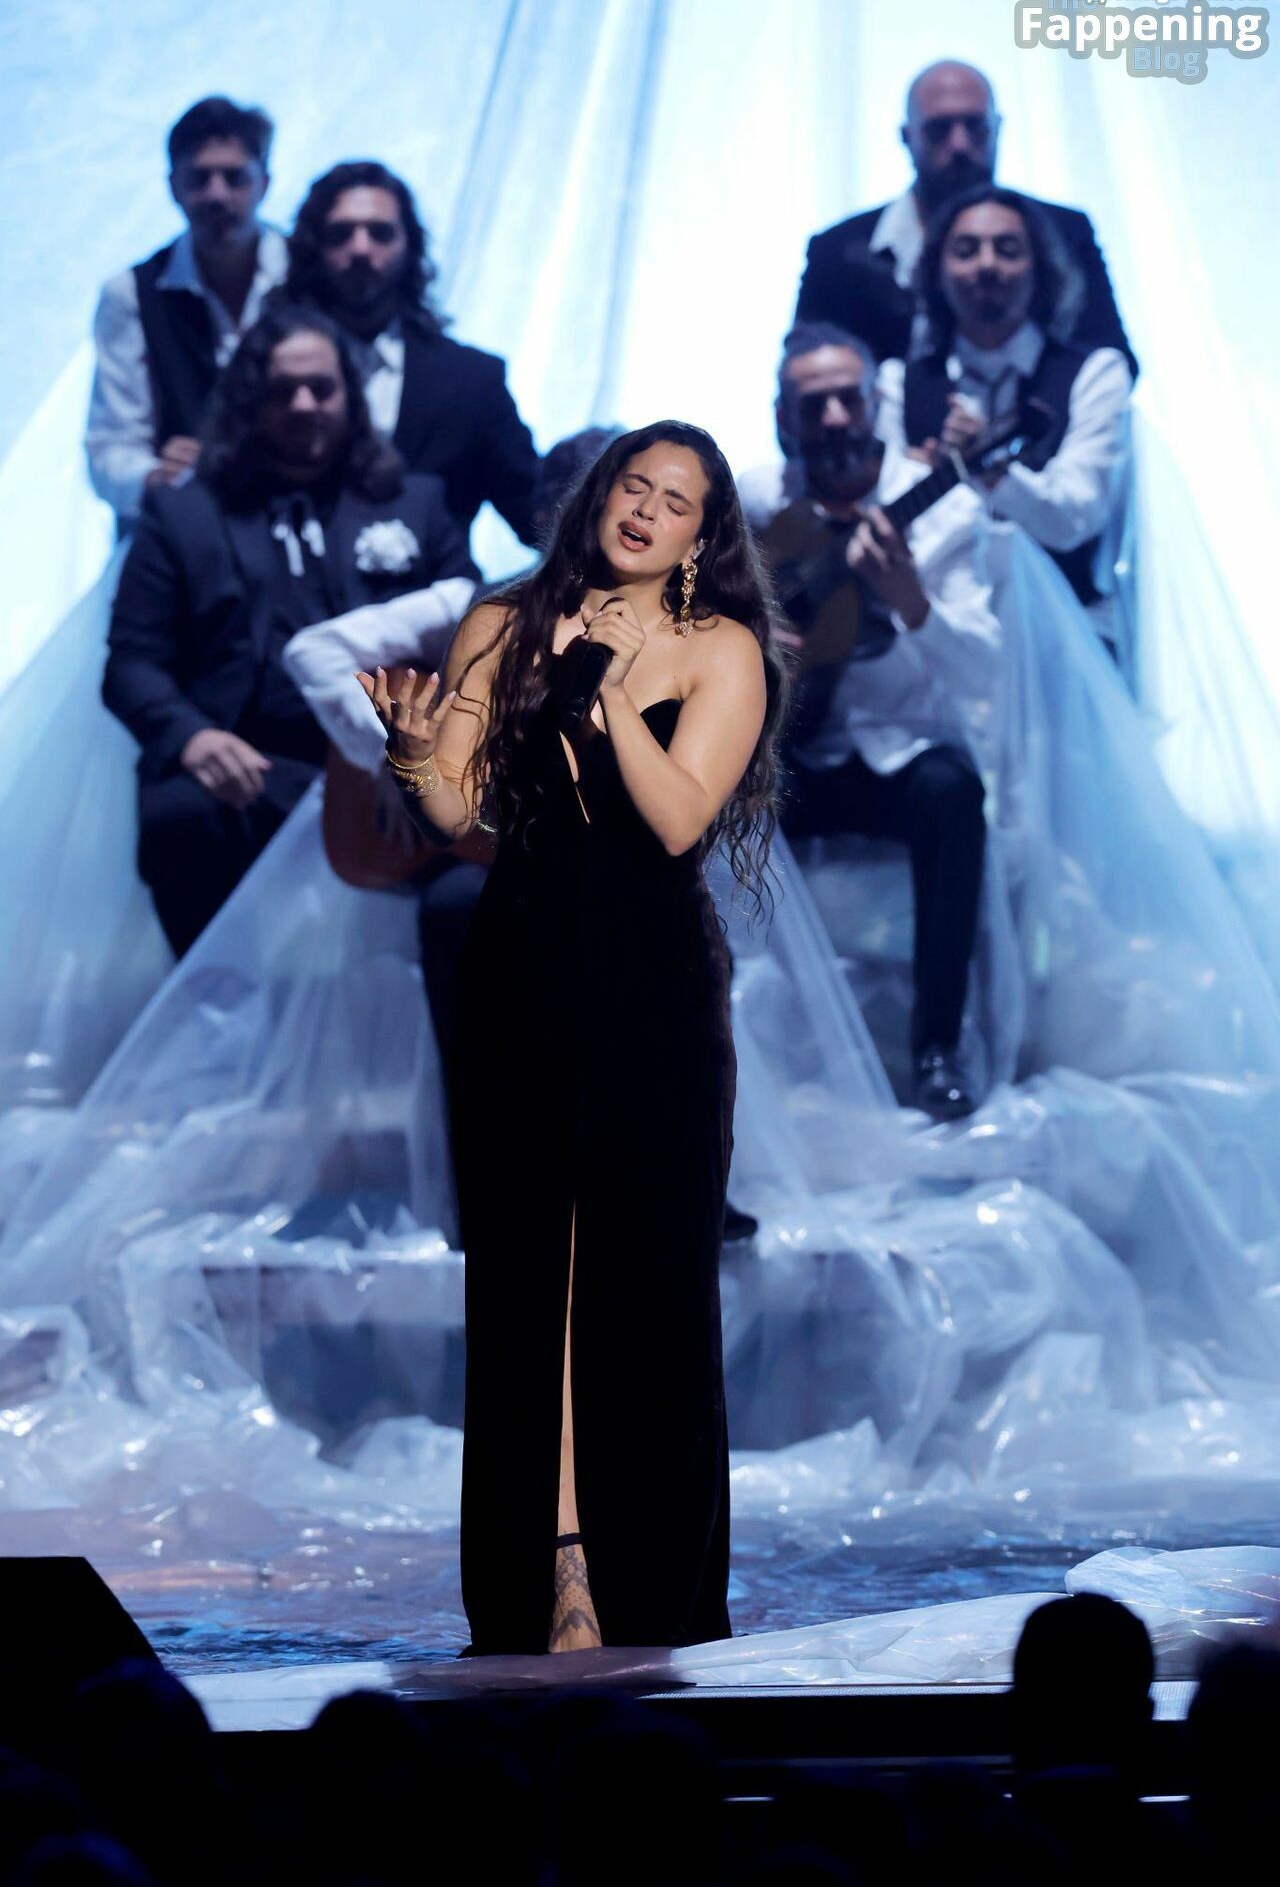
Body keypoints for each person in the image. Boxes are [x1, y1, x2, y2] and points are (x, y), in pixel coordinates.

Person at [357, 422, 786, 1654]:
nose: (644, 511)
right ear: (596, 498)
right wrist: (410, 749)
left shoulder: (720, 650)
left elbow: (675, 820)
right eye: (630, 487)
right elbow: (455, 811)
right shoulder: (502, 623)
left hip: (655, 983)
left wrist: (604, 693)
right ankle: (549, 1574)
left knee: (645, 1275)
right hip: (523, 967)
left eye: (674, 502)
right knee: (524, 1273)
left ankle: (645, 1578)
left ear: (700, 538)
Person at [102, 303, 475, 957]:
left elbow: (477, 640)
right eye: (283, 390)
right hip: (253, 761)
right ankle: (219, 1011)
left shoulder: (415, 502)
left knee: (476, 871)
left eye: (321, 388)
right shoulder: (185, 513)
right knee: (178, 814)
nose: (304, 404)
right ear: (251, 399)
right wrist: (192, 738)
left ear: (350, 395)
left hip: (386, 757)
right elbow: (131, 662)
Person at [741, 323, 997, 1120]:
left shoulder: (944, 509)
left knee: (954, 795)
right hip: (790, 754)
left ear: (874, 405)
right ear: (784, 418)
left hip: (900, 751)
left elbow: (986, 667)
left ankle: (937, 1050)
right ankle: (720, 1058)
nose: (834, 418)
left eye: (848, 400)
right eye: (813, 405)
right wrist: (748, 637)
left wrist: (912, 601)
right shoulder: (755, 501)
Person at [884, 183, 1133, 645]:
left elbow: (1074, 519)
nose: (987, 265)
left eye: (1008, 249)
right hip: (940, 641)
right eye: (965, 251)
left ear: (1040, 268)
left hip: (1068, 634)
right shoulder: (898, 383)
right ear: (936, 271)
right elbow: (888, 523)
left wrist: (994, 473)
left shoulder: (1095, 374)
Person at [795, 60, 1136, 377]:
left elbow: (1110, 363)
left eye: (975, 126)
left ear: (997, 129)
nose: (959, 144)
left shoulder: (1066, 232)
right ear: (907, 136)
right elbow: (803, 381)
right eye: (939, 129)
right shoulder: (836, 252)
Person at [281, 160, 541, 549]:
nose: (361, 248)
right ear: (313, 247)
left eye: (380, 233)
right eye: (340, 233)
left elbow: (536, 516)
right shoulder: (270, 371)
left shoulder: (472, 380)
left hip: (438, 586)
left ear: (410, 246)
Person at [85, 96, 287, 528]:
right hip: (185, 532)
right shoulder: (131, 294)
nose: (216, 195)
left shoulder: (308, 276)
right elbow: (111, 447)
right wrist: (157, 477)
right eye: (199, 178)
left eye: (234, 177)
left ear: (264, 183)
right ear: (173, 186)